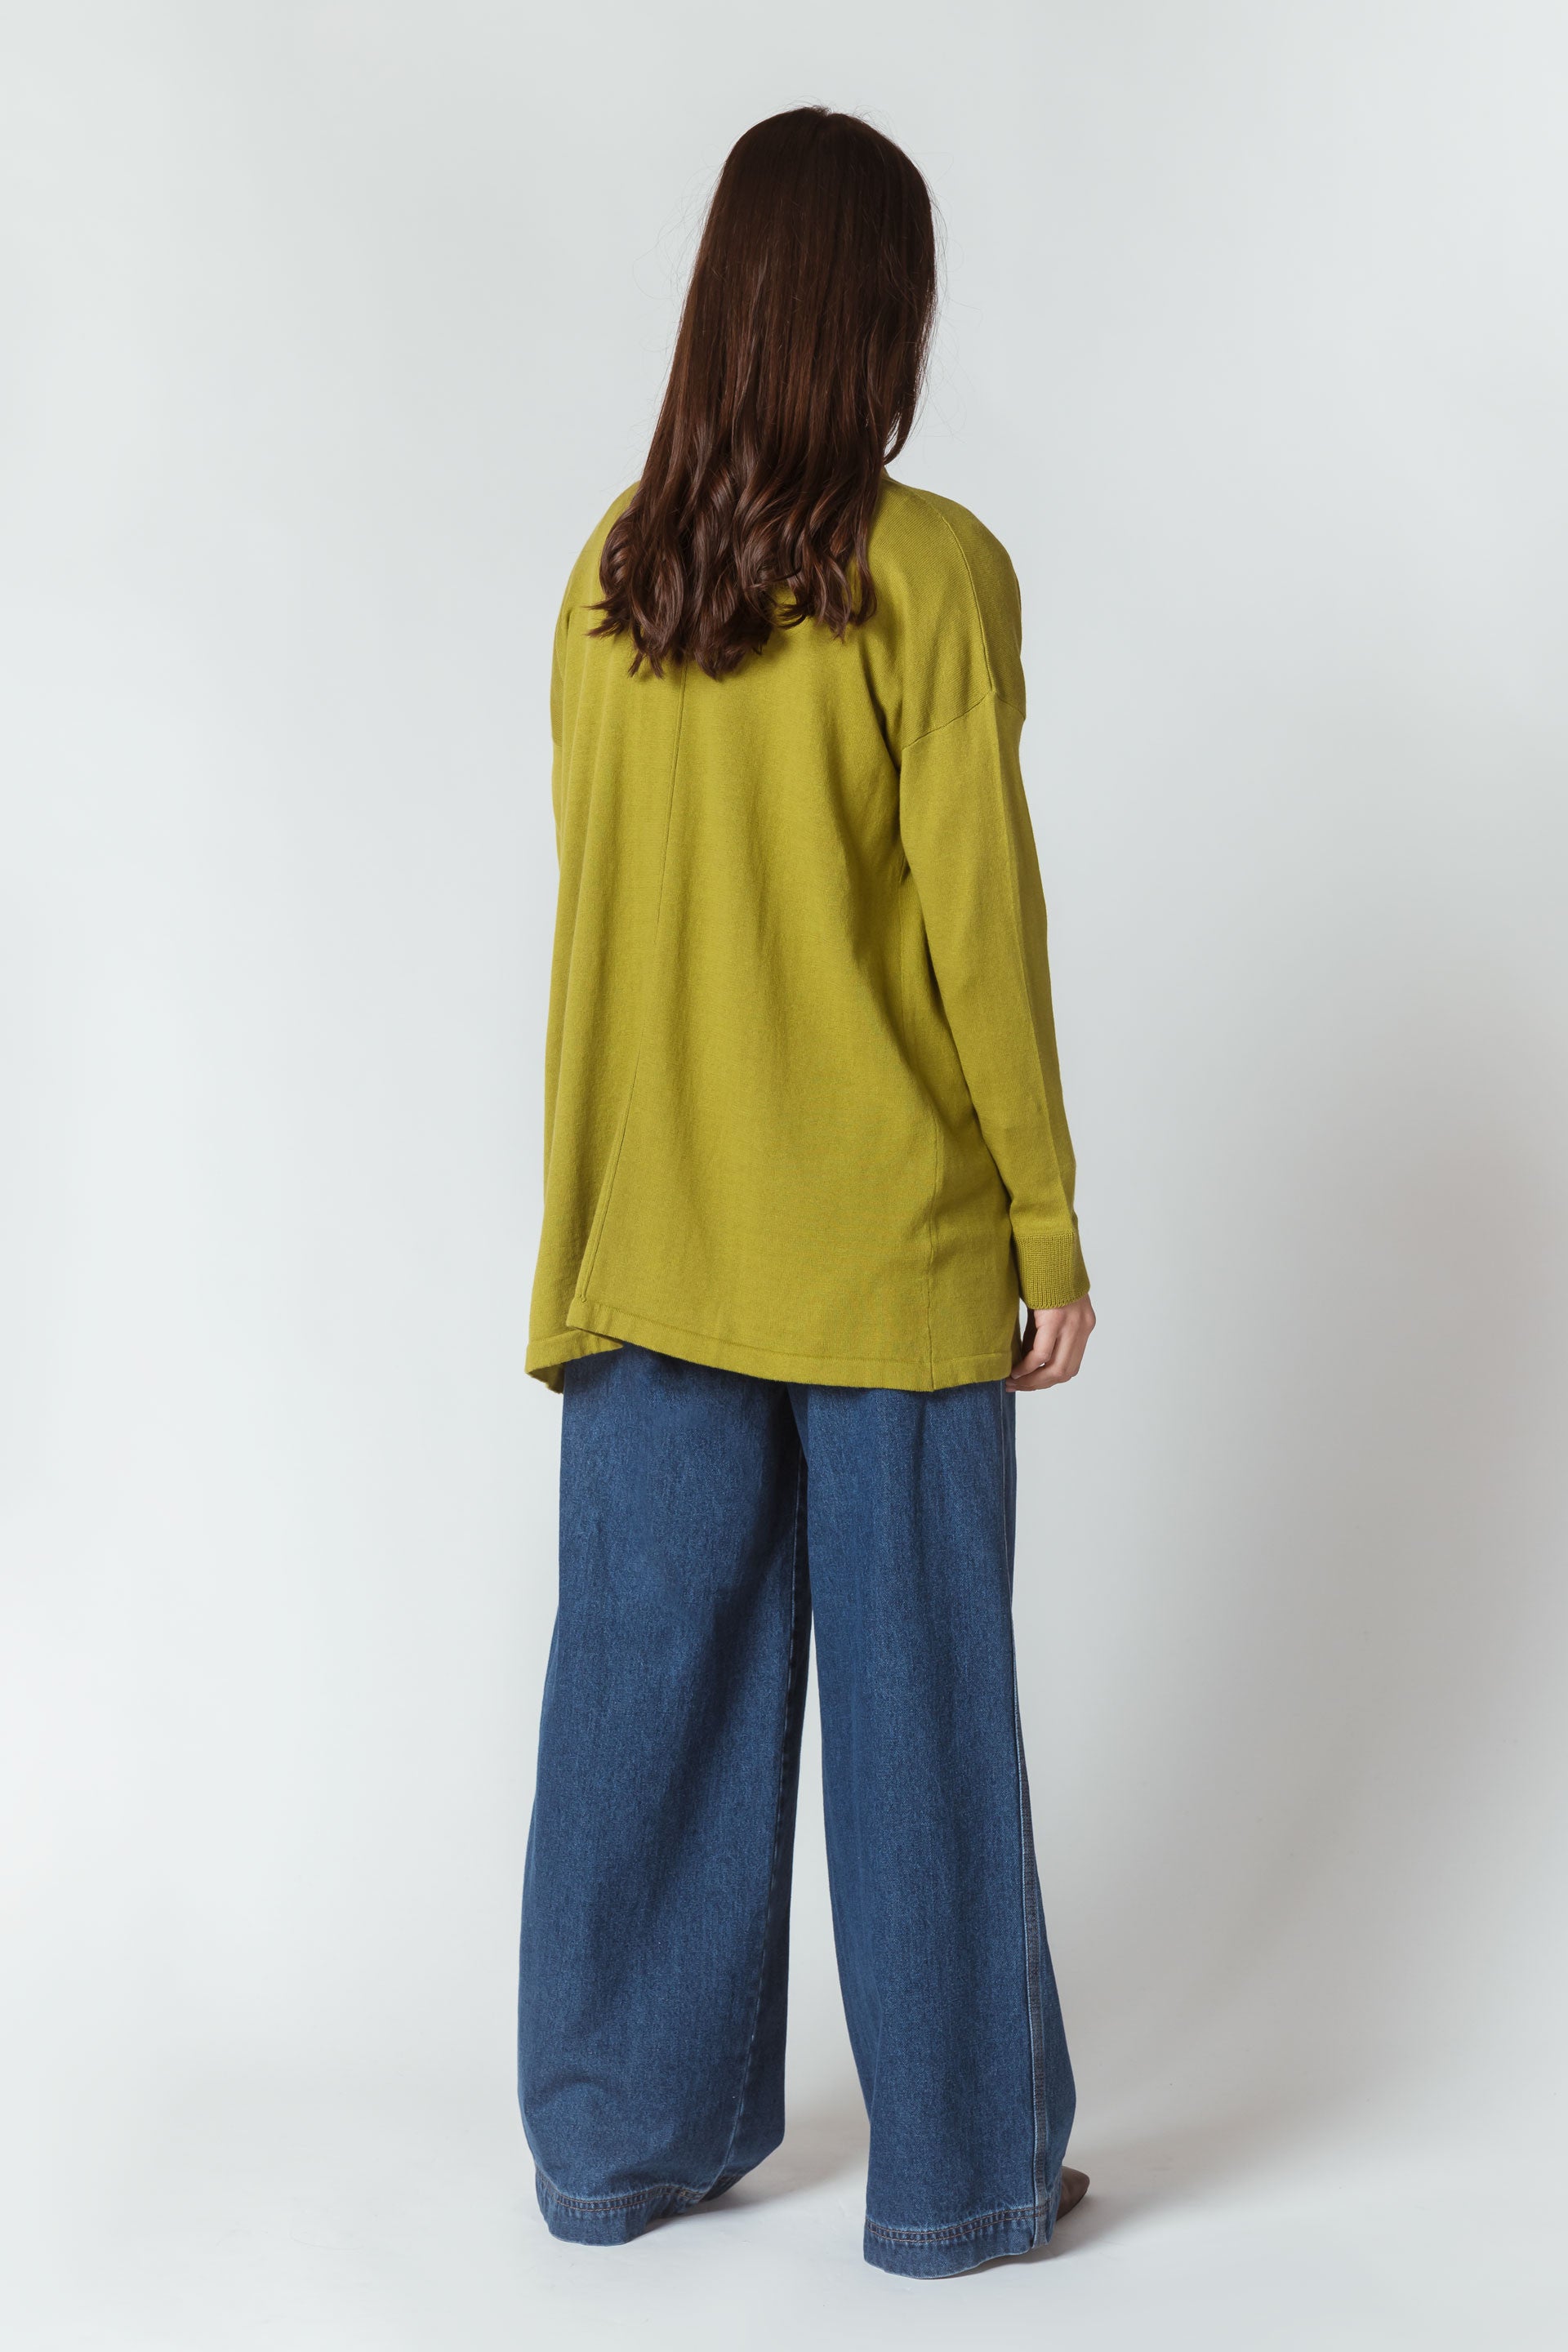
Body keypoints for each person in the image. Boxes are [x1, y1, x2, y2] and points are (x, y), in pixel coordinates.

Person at [517, 106, 1095, 2282]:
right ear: (883, 315)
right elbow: (981, 932)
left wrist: (580, 1233)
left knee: (639, 1707)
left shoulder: (613, 575)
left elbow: (603, 923)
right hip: (888, 1249)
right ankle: (957, 2184)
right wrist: (1044, 1223)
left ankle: (622, 2148)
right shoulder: (929, 574)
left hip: (650, 1241)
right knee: (927, 1721)